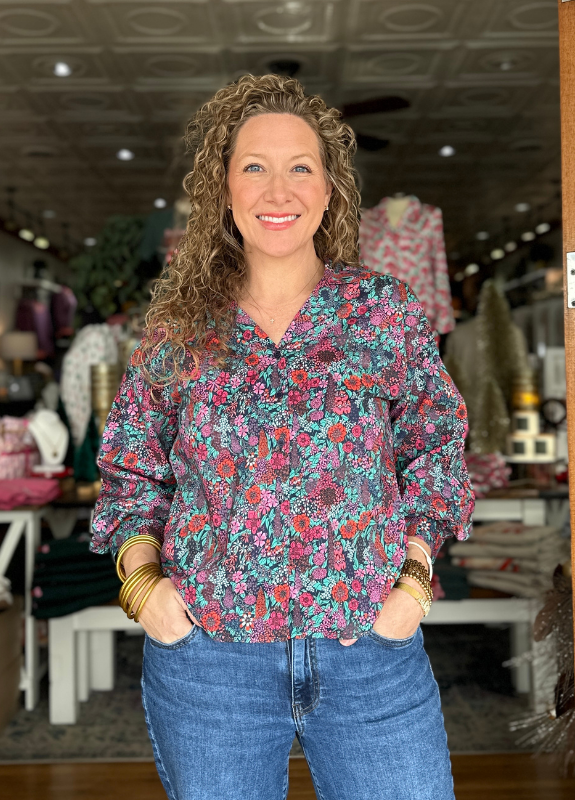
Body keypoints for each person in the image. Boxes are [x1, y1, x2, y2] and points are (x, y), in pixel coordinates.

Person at [90, 74, 475, 800]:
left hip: (369, 654)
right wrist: (145, 590)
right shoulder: (181, 328)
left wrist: (414, 582)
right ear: (224, 191)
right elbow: (131, 472)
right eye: (254, 167)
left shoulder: (381, 312)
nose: (278, 190)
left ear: (329, 192)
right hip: (211, 664)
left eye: (301, 167)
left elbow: (436, 445)